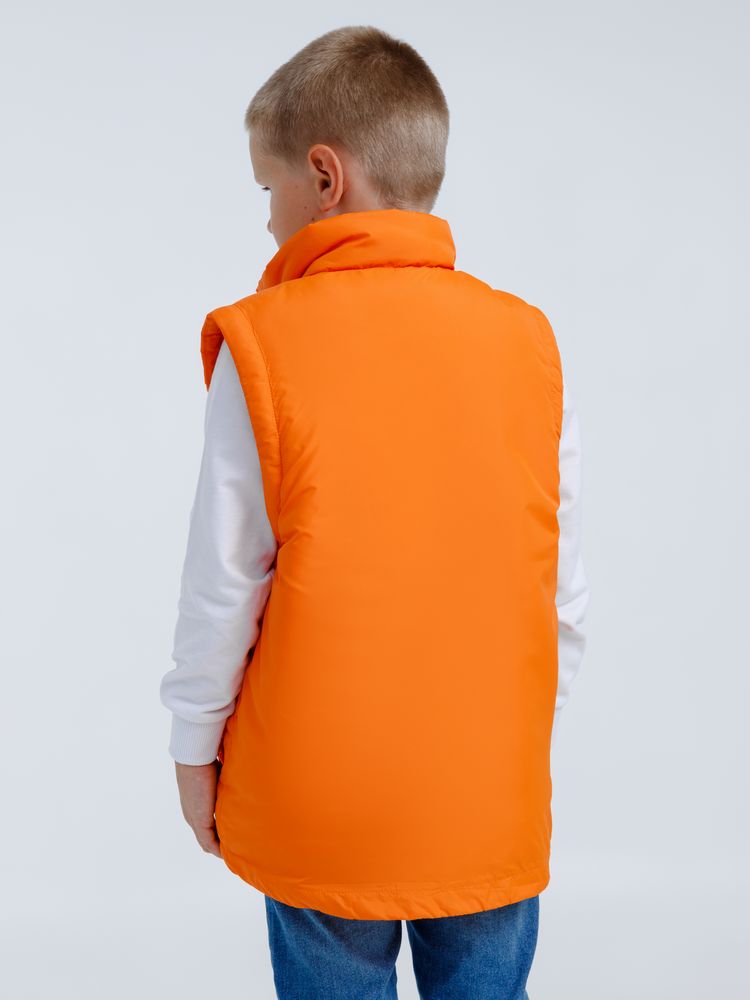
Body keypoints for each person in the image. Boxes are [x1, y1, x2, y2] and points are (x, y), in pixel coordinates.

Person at [159, 24, 589, 1000]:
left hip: (321, 798)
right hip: (484, 789)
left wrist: (193, 748)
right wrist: (512, 741)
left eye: (267, 188)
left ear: (324, 177)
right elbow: (560, 587)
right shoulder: (528, 343)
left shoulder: (260, 346)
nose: (268, 220)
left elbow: (224, 585)